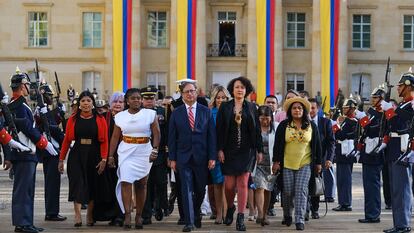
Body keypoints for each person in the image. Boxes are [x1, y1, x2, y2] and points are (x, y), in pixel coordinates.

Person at [6, 70, 58, 233]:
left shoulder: (21, 105)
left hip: (28, 153)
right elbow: (27, 128)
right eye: (27, 85)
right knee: (23, 190)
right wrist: (44, 143)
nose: (29, 88)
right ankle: (22, 223)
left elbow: (30, 125)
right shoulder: (19, 106)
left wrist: (43, 114)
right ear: (22, 86)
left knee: (27, 190)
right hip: (24, 153)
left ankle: (26, 222)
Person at [108, 88, 160, 229]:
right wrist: (110, 155)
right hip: (126, 151)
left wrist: (155, 149)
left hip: (144, 151)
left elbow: (156, 133)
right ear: (127, 101)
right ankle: (127, 215)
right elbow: (114, 137)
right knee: (125, 181)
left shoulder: (150, 114)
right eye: (133, 98)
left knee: (141, 184)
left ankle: (139, 216)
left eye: (138, 98)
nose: (136, 100)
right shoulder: (120, 117)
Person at [168, 80, 217, 232]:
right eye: (186, 92)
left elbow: (211, 136)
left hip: (202, 158)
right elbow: (172, 137)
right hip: (183, 158)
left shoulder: (206, 111)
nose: (190, 94)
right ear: (182, 95)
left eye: (192, 91)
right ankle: (189, 222)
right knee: (186, 188)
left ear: (197, 93)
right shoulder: (176, 113)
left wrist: (212, 157)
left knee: (200, 190)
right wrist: (172, 158)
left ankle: (196, 213)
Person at [216, 76, 263, 231]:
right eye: (237, 87)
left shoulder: (251, 107)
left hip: (247, 150)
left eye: (242, 87)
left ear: (246, 90)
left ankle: (241, 217)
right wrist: (219, 149)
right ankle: (230, 207)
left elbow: (257, 131)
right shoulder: (225, 107)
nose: (239, 89)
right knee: (229, 186)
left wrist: (259, 150)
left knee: (243, 183)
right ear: (232, 89)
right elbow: (220, 130)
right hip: (228, 151)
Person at [58, 90, 108, 227]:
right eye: (83, 101)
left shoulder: (100, 119)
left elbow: (104, 141)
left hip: (94, 154)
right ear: (79, 104)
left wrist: (104, 159)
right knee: (77, 184)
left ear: (92, 103)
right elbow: (67, 141)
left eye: (88, 101)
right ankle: (78, 215)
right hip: (77, 155)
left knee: (92, 185)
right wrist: (61, 159)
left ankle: (90, 215)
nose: (86, 103)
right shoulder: (73, 119)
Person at [272, 97, 322, 231]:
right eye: (294, 108)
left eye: (300, 108)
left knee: (301, 190)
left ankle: (299, 219)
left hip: (305, 164)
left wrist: (318, 163)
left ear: (304, 110)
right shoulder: (283, 125)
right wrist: (276, 162)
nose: (297, 110)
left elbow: (317, 146)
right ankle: (287, 214)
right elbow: (277, 146)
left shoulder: (312, 126)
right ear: (290, 111)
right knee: (287, 191)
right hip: (287, 164)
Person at [377, 71, 414, 233]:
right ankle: (399, 223)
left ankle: (403, 224)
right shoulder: (403, 104)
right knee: (395, 189)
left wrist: (390, 110)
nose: (397, 88)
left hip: (402, 149)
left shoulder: (411, 104)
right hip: (394, 148)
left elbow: (402, 125)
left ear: (408, 86)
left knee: (402, 189)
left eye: (400, 85)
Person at [35, 83, 67, 222]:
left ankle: (52, 211)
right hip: (50, 150)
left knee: (52, 182)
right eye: (49, 95)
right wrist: (63, 137)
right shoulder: (40, 110)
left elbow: (51, 123)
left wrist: (60, 114)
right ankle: (52, 212)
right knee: (52, 183)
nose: (51, 98)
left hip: (51, 149)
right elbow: (49, 127)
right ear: (42, 95)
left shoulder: (45, 109)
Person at [93, 92, 125, 226]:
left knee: (121, 185)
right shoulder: (103, 117)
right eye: (115, 102)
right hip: (105, 156)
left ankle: (120, 215)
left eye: (120, 102)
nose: (117, 104)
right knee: (107, 185)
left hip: (123, 156)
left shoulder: (127, 117)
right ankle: (106, 214)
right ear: (110, 104)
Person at [355, 86, 386, 224]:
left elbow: (373, 130)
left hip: (374, 154)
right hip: (368, 153)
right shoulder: (373, 112)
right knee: (368, 185)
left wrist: (362, 118)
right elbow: (365, 131)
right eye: (372, 97)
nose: (372, 100)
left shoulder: (382, 114)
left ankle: (373, 214)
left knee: (372, 185)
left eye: (375, 97)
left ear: (382, 99)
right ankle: (370, 213)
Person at [141, 87, 169, 224]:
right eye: (146, 98)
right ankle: (146, 214)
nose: (149, 101)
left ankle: (159, 206)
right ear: (142, 100)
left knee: (161, 182)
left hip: (160, 153)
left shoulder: (162, 112)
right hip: (143, 154)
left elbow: (168, 132)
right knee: (146, 183)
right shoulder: (138, 113)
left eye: (151, 98)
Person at [308, 98, 336, 219]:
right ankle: (304, 209)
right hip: (303, 159)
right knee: (303, 185)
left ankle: (315, 209)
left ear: (318, 109)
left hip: (319, 160)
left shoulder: (325, 122)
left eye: (313, 108)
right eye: (308, 108)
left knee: (315, 184)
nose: (310, 110)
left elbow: (331, 142)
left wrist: (329, 159)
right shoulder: (300, 122)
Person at [208, 85, 231, 224]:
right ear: (214, 99)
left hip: (230, 153)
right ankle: (218, 213)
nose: (221, 100)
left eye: (223, 97)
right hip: (215, 151)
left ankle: (228, 211)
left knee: (228, 185)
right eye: (218, 98)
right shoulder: (210, 113)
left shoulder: (232, 111)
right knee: (217, 183)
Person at [253, 105, 278, 226]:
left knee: (268, 189)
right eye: (261, 118)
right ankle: (260, 214)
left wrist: (278, 162)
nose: (264, 121)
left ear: (271, 118)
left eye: (267, 118)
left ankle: (265, 213)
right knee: (260, 187)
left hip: (271, 164)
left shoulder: (276, 128)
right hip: (257, 164)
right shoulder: (254, 129)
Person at [331, 99, 358, 212]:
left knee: (345, 180)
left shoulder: (353, 121)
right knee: (341, 180)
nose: (344, 109)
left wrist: (335, 126)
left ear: (352, 108)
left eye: (346, 108)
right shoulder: (347, 121)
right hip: (342, 153)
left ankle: (346, 203)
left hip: (346, 154)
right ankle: (342, 202)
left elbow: (341, 135)